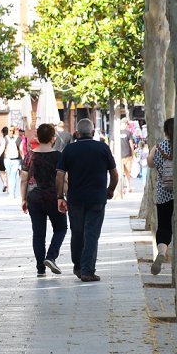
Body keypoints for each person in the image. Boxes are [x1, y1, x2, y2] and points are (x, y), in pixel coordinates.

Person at [56, 119, 118, 282]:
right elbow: (114, 173)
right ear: (93, 132)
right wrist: (110, 189)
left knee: (77, 232)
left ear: (77, 133)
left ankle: (78, 266)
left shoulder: (69, 149)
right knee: (91, 234)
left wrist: (59, 197)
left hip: (75, 199)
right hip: (97, 198)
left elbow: (60, 175)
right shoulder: (102, 148)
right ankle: (87, 270)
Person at [21, 124, 67, 277]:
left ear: (38, 137)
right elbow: (63, 179)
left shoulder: (29, 155)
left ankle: (40, 268)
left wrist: (23, 199)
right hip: (53, 197)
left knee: (38, 234)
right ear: (53, 138)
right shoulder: (59, 156)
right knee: (61, 228)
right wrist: (63, 196)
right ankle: (51, 256)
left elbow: (24, 179)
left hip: (34, 197)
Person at [148, 118, 174, 275]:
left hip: (163, 192)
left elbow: (150, 164)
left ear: (166, 132)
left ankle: (162, 252)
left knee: (164, 226)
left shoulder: (158, 147)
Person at [119, 119, 135, 194]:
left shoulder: (116, 133)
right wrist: (133, 154)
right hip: (127, 155)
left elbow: (112, 144)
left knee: (120, 173)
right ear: (125, 124)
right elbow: (131, 144)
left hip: (119, 156)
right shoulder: (128, 133)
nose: (127, 126)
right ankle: (129, 187)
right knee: (127, 172)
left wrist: (113, 154)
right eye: (127, 124)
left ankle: (121, 188)